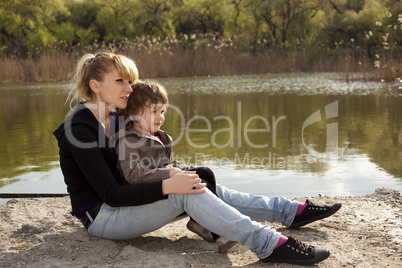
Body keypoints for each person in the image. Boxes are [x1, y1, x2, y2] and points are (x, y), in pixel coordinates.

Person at [53, 51, 342, 265]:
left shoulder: (115, 118)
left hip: (127, 204)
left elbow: (139, 168)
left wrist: (177, 175)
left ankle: (290, 212)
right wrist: (168, 186)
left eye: (131, 81)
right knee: (185, 193)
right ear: (95, 86)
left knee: (199, 182)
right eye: (120, 81)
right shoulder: (80, 128)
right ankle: (269, 244)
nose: (130, 89)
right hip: (103, 218)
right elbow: (112, 194)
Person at [114, 79, 234, 251]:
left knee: (204, 173)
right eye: (154, 111)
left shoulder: (161, 137)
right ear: (133, 114)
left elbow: (169, 163)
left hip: (166, 183)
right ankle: (218, 232)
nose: (161, 117)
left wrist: (184, 170)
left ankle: (201, 222)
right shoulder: (127, 140)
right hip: (148, 194)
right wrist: (170, 173)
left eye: (162, 111)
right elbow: (133, 175)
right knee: (196, 179)